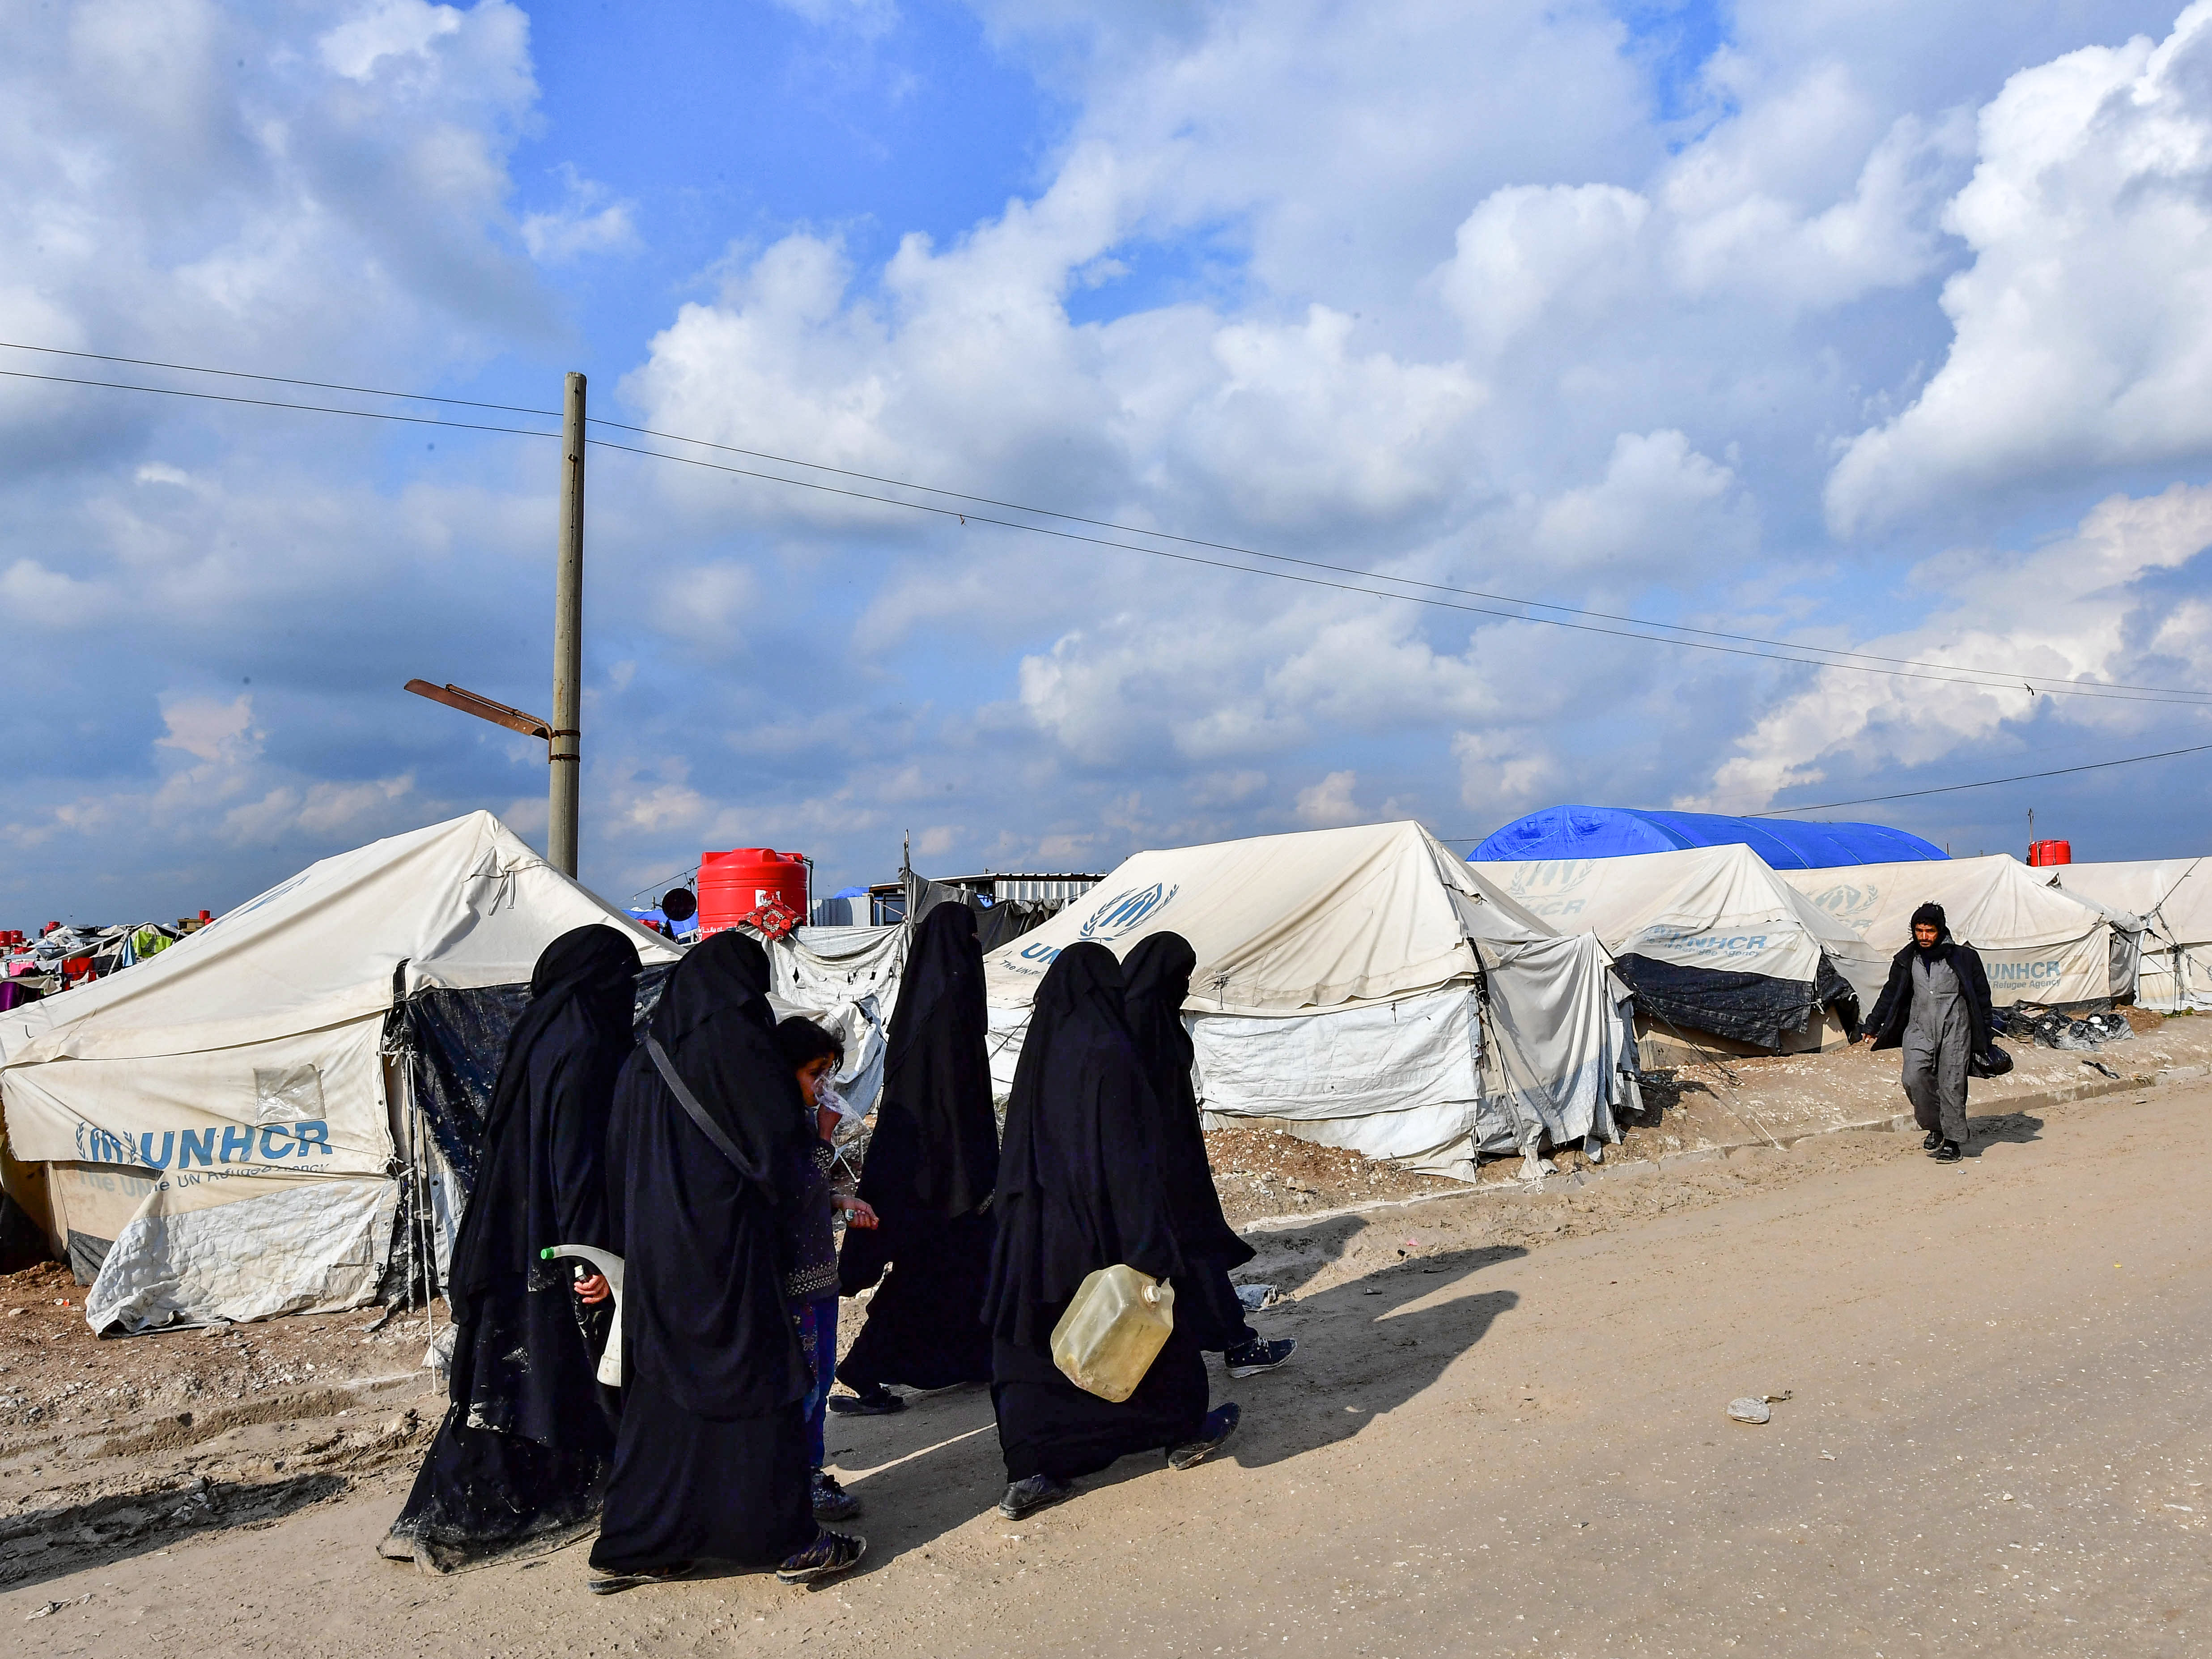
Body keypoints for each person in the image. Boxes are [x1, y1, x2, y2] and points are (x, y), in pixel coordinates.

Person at [586, 932, 865, 1593]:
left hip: (658, 1264)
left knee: (664, 1405)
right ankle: (790, 1543)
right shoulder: (743, 1054)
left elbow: (616, 1166)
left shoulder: (644, 1061)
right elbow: (781, 1161)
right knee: (757, 1391)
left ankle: (640, 1543)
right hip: (730, 1261)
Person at [382, 925, 638, 1572]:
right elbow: (575, 1160)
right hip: (557, 1242)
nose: (630, 995)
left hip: (512, 1233)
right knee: (556, 1367)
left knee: (511, 1373)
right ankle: (497, 1506)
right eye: (624, 981)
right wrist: (590, 1253)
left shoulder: (539, 1032)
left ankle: (454, 1508)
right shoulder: (588, 1042)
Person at [983, 941, 1240, 1521]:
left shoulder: (1043, 1048)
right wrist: (1150, 1244)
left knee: (1030, 1352)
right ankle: (1183, 1433)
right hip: (1098, 1231)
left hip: (1033, 1235)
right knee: (1147, 1334)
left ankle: (1030, 1471)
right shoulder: (1110, 1053)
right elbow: (1128, 1161)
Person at [832, 902, 999, 1414]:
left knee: (960, 1268)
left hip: (939, 1167)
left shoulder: (928, 1002)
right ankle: (862, 1369)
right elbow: (947, 1102)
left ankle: (970, 1359)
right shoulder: (947, 1006)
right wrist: (967, 1173)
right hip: (937, 1173)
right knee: (926, 1274)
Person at [1120, 933, 1295, 1379]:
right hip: (1164, 1171)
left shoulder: (1138, 1015)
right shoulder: (1143, 1023)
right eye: (1181, 975)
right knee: (1195, 1258)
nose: (1185, 986)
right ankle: (1237, 1344)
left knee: (1180, 1267)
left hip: (1164, 1165)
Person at [771, 1015, 879, 1525]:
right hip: (793, 1282)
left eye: (827, 1074)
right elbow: (789, 1191)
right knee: (805, 1385)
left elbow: (810, 1193)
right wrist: (824, 1136)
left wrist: (840, 1201)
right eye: (815, 1074)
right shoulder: (775, 1125)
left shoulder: (798, 1119)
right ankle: (799, 1483)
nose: (823, 1085)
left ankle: (810, 1474)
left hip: (819, 1276)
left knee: (821, 1378)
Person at [1857, 902, 1997, 1163]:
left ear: (1940, 930)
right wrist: (1873, 1025)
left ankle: (1953, 1142)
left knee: (1952, 1085)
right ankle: (1936, 1126)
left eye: (1930, 931)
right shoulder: (1907, 959)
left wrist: (1986, 1035)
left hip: (1955, 1028)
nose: (1924, 936)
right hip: (1919, 1028)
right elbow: (1890, 993)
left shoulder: (1964, 958)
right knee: (1913, 1078)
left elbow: (1982, 996)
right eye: (1919, 931)